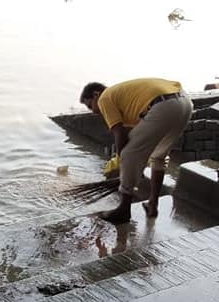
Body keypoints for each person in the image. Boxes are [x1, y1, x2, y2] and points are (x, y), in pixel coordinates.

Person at [80, 78, 193, 223]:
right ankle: (152, 205)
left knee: (128, 154)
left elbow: (119, 134)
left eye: (90, 106)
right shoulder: (123, 97)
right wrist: (135, 166)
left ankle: (124, 210)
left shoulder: (104, 98)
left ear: (96, 94)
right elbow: (136, 137)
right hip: (184, 103)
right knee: (158, 157)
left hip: (163, 106)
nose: (93, 111)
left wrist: (121, 161)